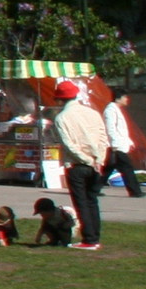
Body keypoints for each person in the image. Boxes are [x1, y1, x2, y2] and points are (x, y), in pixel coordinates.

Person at [50, 78, 110, 249]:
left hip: (78, 165)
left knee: (81, 203)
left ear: (60, 99)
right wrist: (99, 159)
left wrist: (87, 160)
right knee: (92, 201)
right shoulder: (92, 113)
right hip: (97, 163)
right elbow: (103, 138)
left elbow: (69, 145)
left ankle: (89, 239)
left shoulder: (62, 118)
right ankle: (95, 237)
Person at [102, 94, 144, 199]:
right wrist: (115, 144)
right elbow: (110, 128)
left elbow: (122, 130)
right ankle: (135, 191)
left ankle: (93, 188)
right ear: (118, 98)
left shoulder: (117, 110)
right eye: (125, 97)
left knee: (108, 168)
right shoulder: (110, 110)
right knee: (127, 167)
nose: (127, 99)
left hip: (119, 144)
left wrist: (129, 142)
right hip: (116, 146)